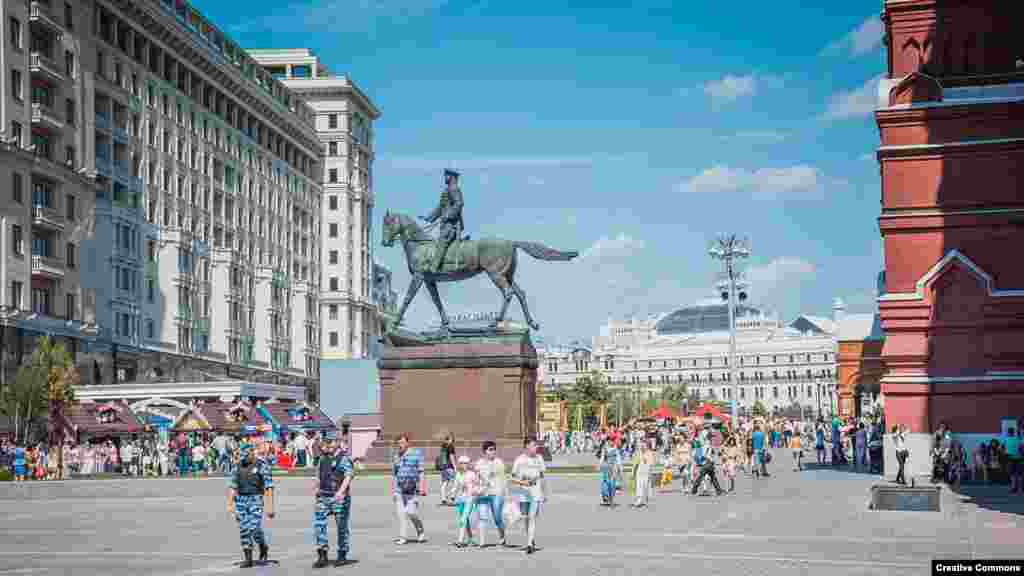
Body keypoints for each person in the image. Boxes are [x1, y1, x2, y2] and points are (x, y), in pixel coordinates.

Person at [227, 444, 274, 568]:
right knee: (244, 529)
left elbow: (269, 487)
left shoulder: (262, 465)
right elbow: (233, 486)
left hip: (256, 498)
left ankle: (262, 545)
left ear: (252, 453)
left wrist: (270, 506)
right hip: (241, 500)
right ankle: (248, 558)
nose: (243, 459)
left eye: (245, 456)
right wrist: (230, 504)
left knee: (254, 527)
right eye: (242, 456)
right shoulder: (237, 467)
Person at [312, 434, 354, 568]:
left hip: (338, 498)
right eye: (324, 444)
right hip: (323, 497)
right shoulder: (322, 458)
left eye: (328, 443)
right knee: (319, 526)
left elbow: (348, 476)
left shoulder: (343, 458)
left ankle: (342, 553)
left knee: (341, 526)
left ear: (336, 443)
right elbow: (318, 475)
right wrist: (317, 488)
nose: (325, 446)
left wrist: (341, 492)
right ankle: (322, 554)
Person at [420, 169, 466, 273]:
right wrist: (429, 218)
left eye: (447, 175)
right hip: (446, 224)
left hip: (452, 225)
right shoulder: (447, 190)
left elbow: (459, 204)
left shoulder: (454, 188)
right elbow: (440, 207)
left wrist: (448, 215)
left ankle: (434, 267)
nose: (445, 177)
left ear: (452, 177)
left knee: (442, 240)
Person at [509, 437, 546, 554]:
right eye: (534, 445)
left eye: (536, 445)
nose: (536, 447)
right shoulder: (519, 460)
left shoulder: (539, 458)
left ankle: (529, 544)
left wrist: (544, 493)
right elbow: (512, 478)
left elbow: (542, 476)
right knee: (525, 519)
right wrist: (523, 482)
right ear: (527, 446)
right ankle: (530, 538)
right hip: (523, 494)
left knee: (532, 518)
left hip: (535, 494)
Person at [392, 433, 427, 545]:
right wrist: (394, 490)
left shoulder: (416, 454)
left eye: (402, 443)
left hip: (412, 490)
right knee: (401, 514)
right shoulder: (396, 456)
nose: (400, 445)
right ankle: (403, 537)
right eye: (399, 444)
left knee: (411, 513)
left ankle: (420, 530)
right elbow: (395, 474)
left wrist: (422, 487)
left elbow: (421, 471)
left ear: (408, 443)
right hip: (399, 490)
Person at [474, 440, 508, 546]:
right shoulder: (479, 463)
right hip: (483, 493)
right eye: (490, 449)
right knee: (482, 517)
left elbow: (504, 478)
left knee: (497, 517)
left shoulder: (499, 462)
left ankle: (502, 534)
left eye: (494, 449)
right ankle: (482, 542)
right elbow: (476, 478)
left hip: (497, 493)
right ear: (485, 451)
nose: (493, 451)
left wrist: (506, 494)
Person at [451, 455, 480, 548]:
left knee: (463, 519)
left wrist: (476, 492)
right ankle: (471, 539)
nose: (464, 465)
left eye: (466, 463)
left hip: (470, 498)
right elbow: (455, 486)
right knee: (465, 520)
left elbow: (478, 484)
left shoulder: (472, 474)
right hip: (461, 499)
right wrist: (452, 495)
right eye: (462, 463)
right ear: (459, 464)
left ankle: (460, 540)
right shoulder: (458, 474)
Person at [598, 437, 622, 507]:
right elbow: (602, 458)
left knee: (612, 483)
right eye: (609, 441)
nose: (610, 442)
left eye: (612, 441)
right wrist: (600, 465)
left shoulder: (616, 449)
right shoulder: (605, 449)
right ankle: (606, 497)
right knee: (605, 483)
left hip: (613, 468)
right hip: (606, 467)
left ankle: (611, 498)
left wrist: (620, 468)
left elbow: (618, 459)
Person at [631, 441, 654, 508]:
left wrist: (650, 472)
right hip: (639, 472)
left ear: (647, 446)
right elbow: (635, 464)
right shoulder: (638, 453)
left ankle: (647, 500)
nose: (643, 447)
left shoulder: (650, 453)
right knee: (639, 486)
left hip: (646, 472)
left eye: (644, 446)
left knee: (646, 487)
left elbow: (651, 463)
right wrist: (633, 472)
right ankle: (639, 500)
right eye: (642, 446)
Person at [437, 432, 457, 506]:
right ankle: (451, 498)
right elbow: (451, 457)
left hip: (443, 467)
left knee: (444, 483)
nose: (453, 440)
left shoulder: (443, 446)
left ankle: (443, 499)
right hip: (449, 467)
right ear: (450, 439)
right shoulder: (450, 446)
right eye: (452, 439)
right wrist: (455, 467)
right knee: (456, 482)